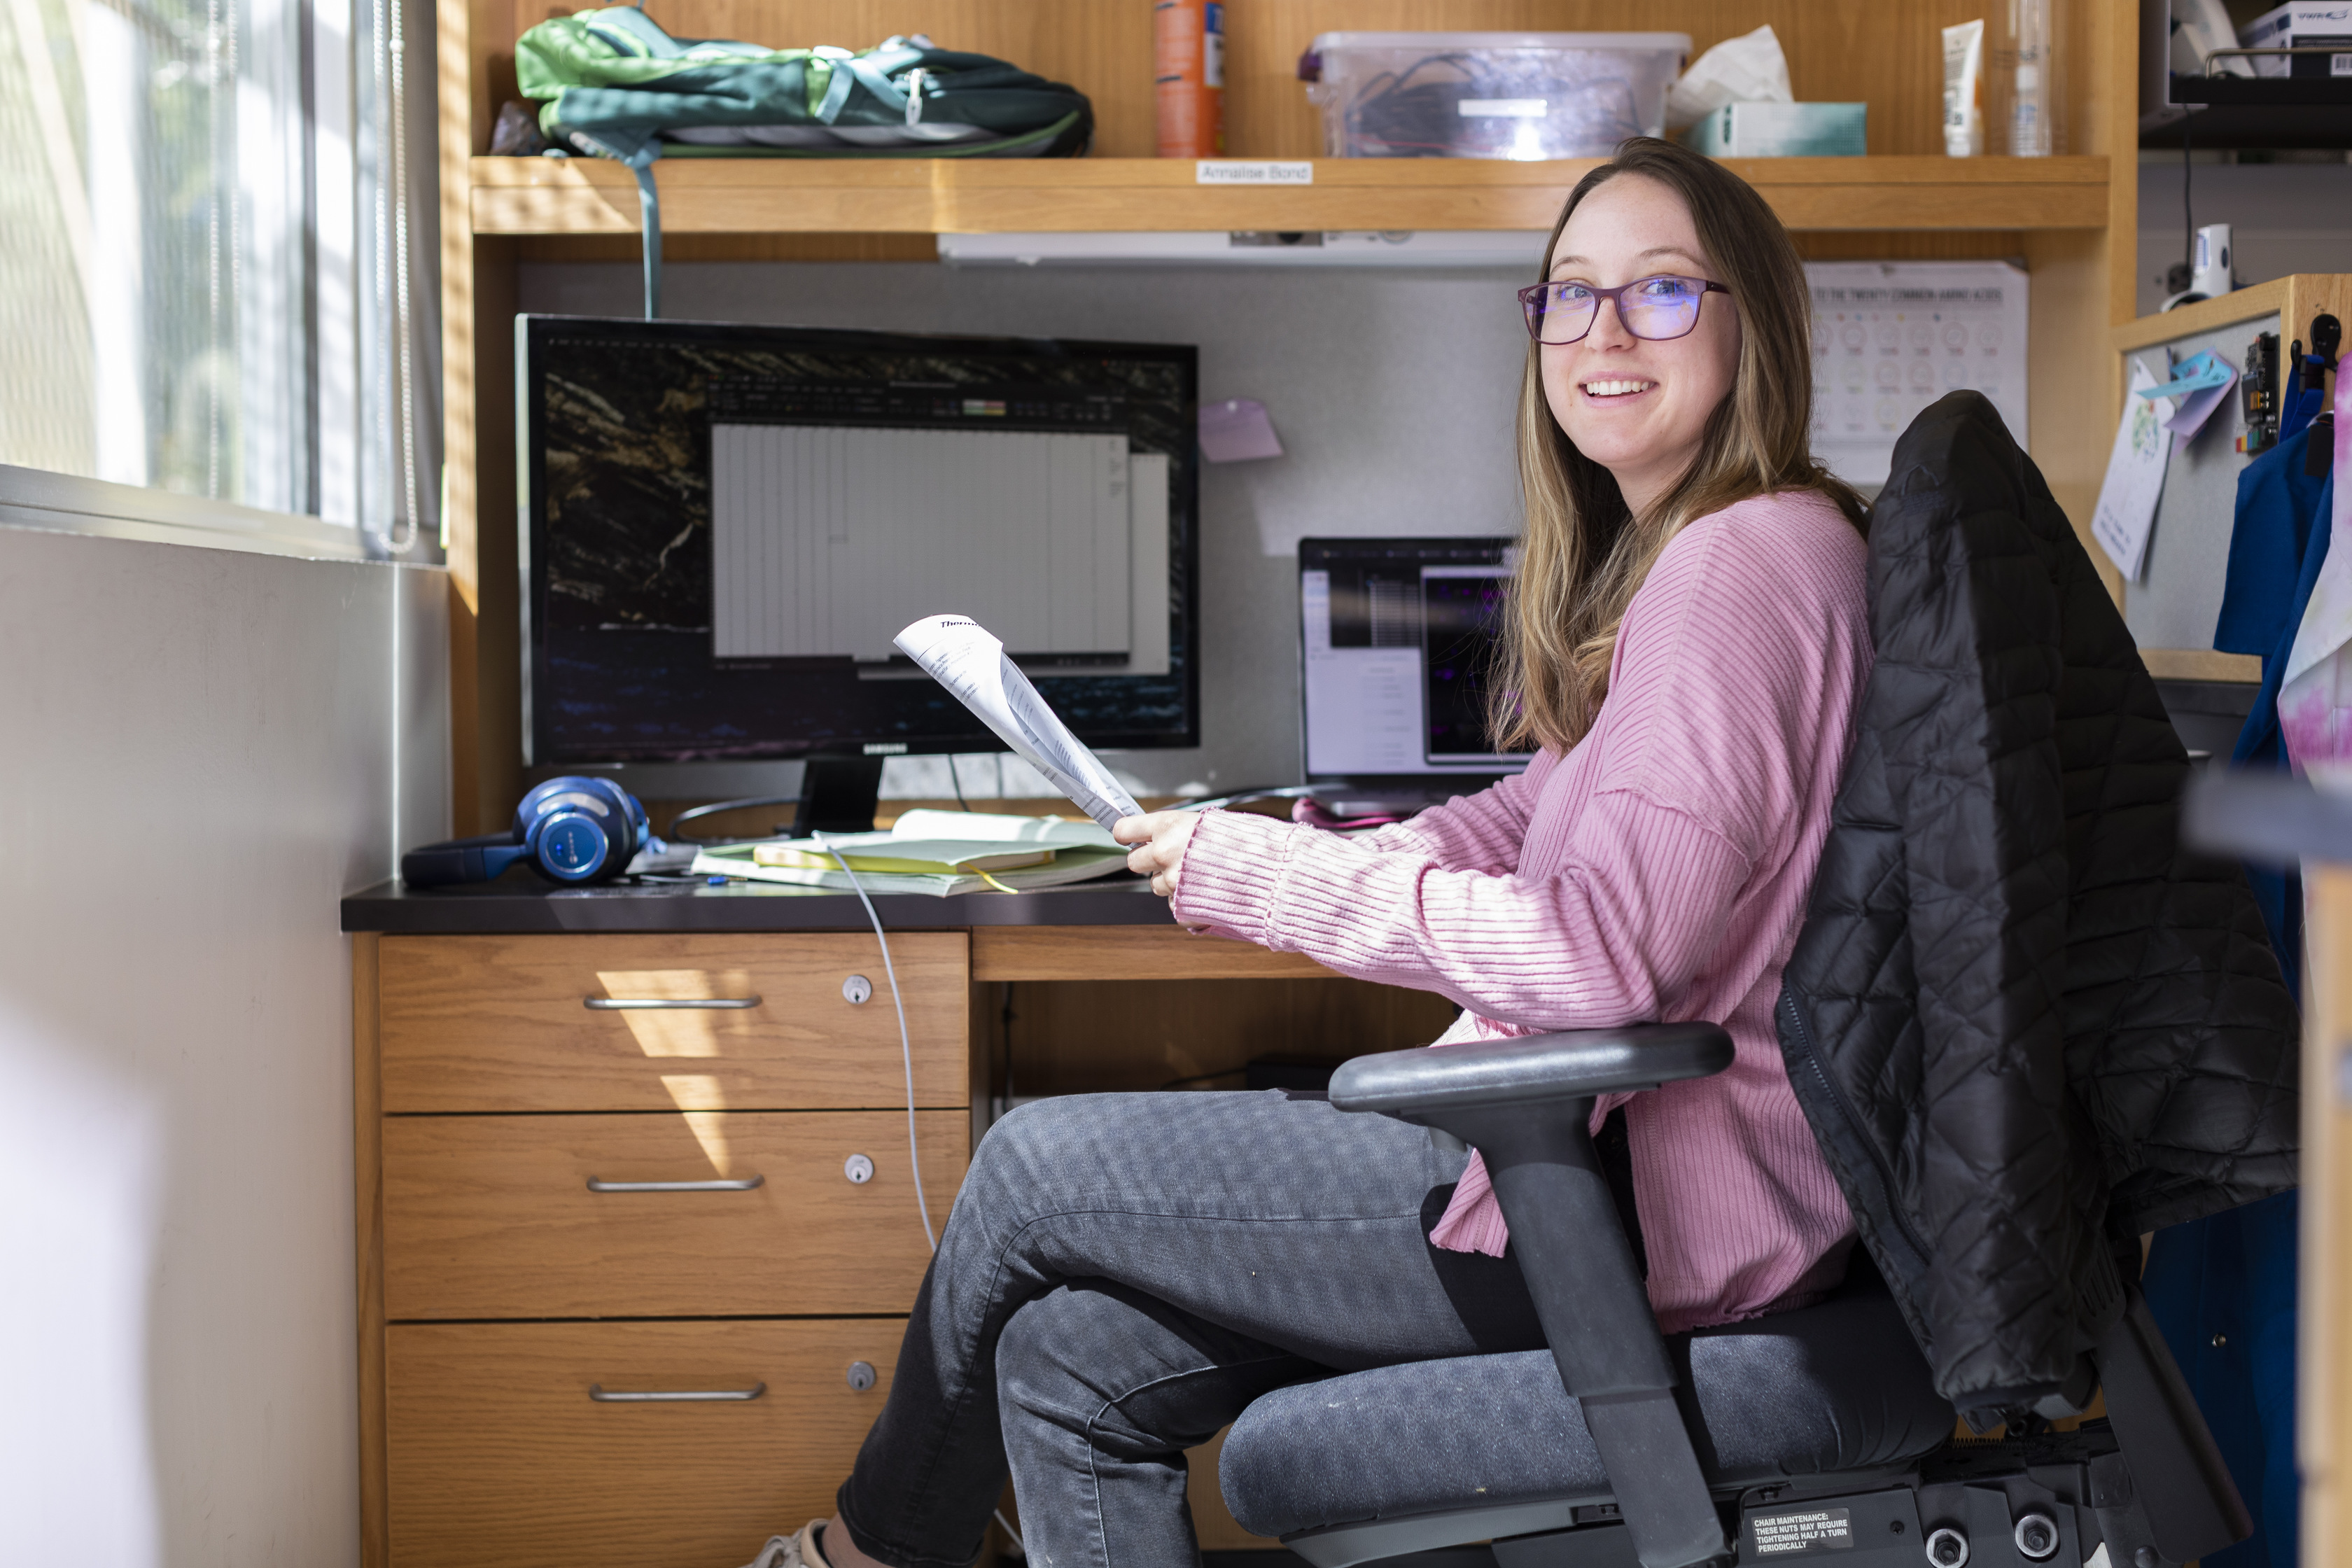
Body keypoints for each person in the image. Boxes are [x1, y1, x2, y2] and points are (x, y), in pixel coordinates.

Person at [737, 137, 1874, 1568]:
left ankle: (862, 1557)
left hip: (1623, 1222)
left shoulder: (1731, 573)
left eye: (1657, 293)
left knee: (1026, 1165)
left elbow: (1598, 954)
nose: (1599, 334)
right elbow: (1548, 815)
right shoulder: (1753, 546)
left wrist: (1262, 876)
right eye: (1568, 297)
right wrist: (1312, 844)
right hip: (1617, 1187)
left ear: (1750, 318)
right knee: (1068, 1355)